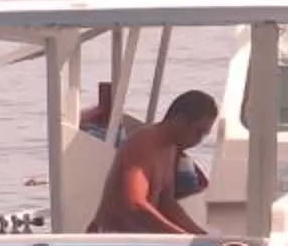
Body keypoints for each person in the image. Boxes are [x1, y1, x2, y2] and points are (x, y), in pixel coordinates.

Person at [89, 89, 217, 236]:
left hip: (139, 239)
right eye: (198, 131)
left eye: (204, 134)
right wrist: (181, 236)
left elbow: (166, 202)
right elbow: (134, 203)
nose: (199, 140)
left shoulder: (171, 148)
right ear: (179, 120)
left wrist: (199, 235)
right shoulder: (143, 143)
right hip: (110, 238)